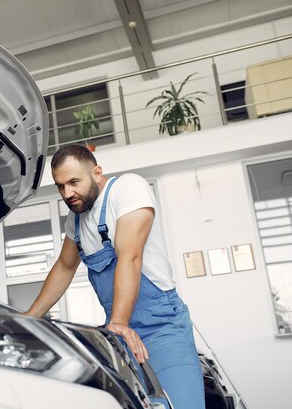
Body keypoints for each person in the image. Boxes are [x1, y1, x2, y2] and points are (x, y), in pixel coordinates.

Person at [25, 144, 204, 409]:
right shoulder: (75, 220)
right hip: (117, 331)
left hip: (161, 326)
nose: (67, 193)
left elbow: (129, 255)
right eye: (61, 186)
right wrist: (29, 319)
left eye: (74, 182)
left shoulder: (127, 189)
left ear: (96, 173)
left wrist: (120, 321)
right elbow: (64, 267)